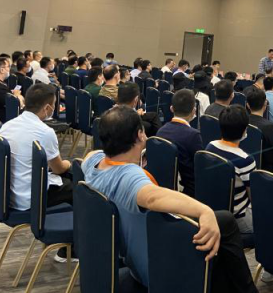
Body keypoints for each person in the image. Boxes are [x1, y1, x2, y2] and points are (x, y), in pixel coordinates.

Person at [82, 106, 258, 292]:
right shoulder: (128, 176)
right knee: (225, 223)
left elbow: (90, 155)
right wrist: (204, 210)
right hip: (155, 266)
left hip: (134, 255)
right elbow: (152, 198)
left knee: (218, 242)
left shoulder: (93, 164)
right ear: (140, 135)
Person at [0, 83, 73, 250]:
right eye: (54, 105)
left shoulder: (7, 125)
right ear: (47, 108)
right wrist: (70, 163)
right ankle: (67, 247)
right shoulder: (45, 132)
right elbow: (59, 168)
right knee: (79, 189)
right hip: (30, 197)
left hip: (9, 193)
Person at [206, 106, 255, 234]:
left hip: (212, 211)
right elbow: (254, 197)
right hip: (238, 218)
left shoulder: (210, 146)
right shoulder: (246, 160)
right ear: (244, 130)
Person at [157, 89, 203, 196]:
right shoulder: (193, 135)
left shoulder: (161, 130)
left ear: (171, 108)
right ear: (194, 111)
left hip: (165, 187)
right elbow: (200, 166)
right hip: (189, 192)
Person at [245, 87, 273, 169]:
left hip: (245, 162)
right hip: (264, 169)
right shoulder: (269, 126)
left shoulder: (241, 121)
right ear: (265, 103)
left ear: (247, 105)